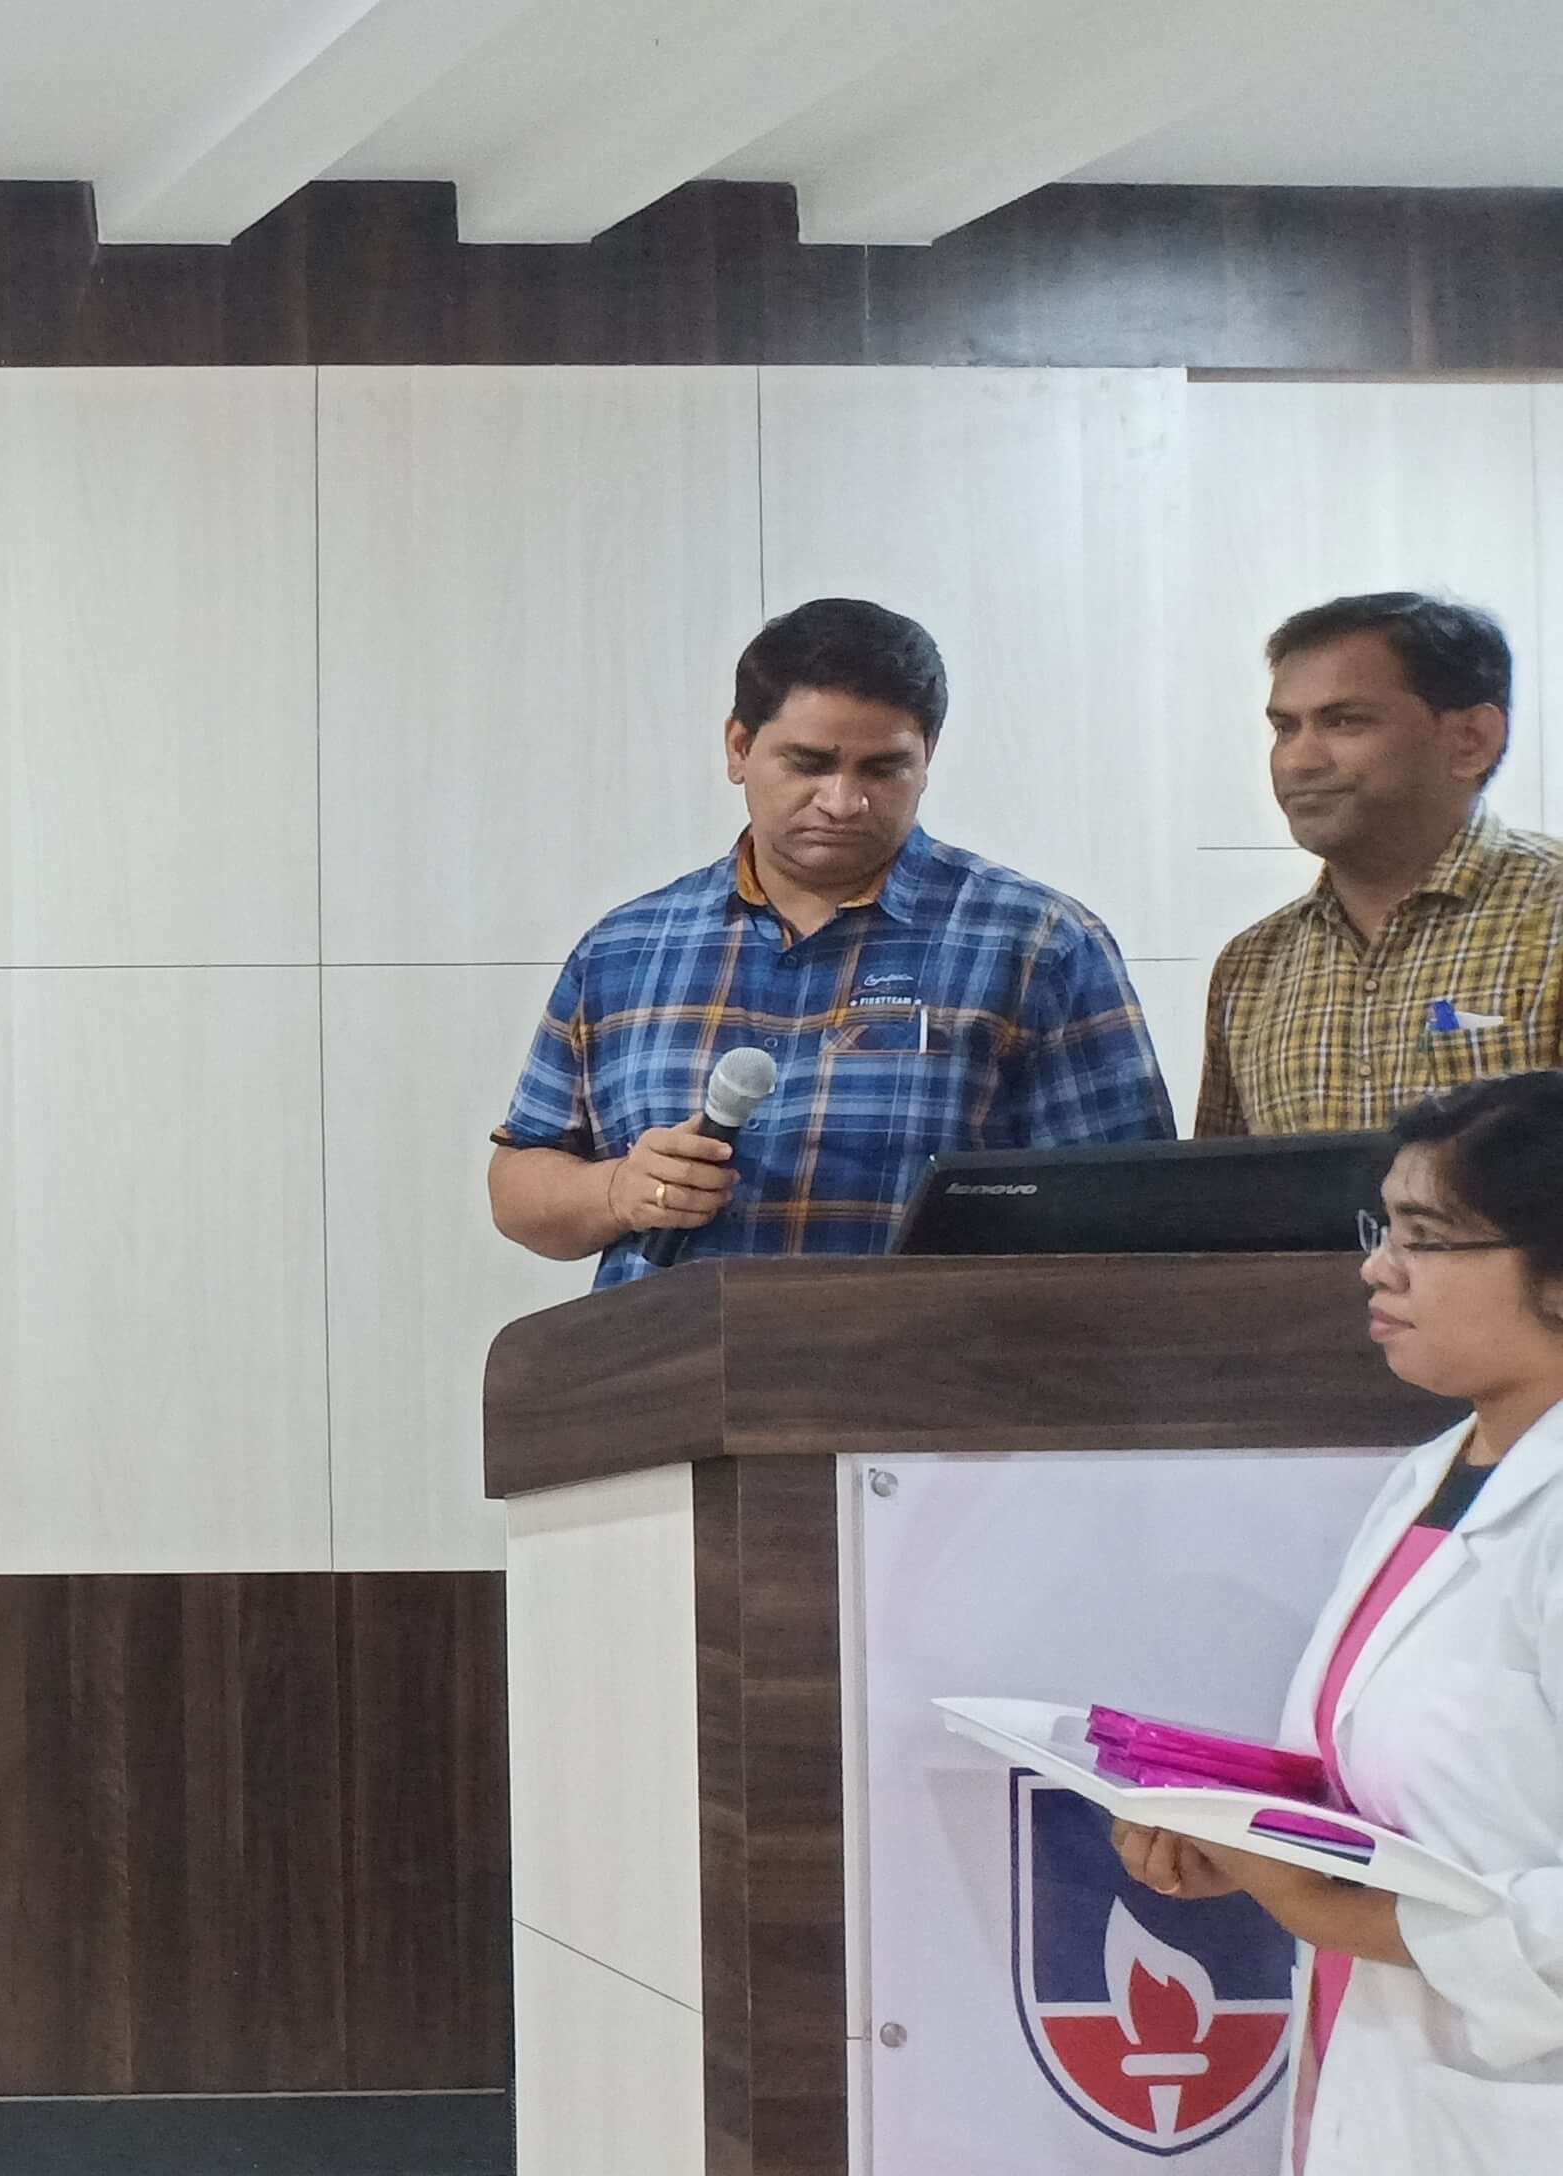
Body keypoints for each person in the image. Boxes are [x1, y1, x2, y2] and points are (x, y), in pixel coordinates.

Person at [1113, 1071, 1563, 2169]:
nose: (1377, 1267)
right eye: (1383, 1228)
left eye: (1427, 1239)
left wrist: (1337, 1913)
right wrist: (1253, 1846)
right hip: (1391, 2086)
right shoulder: (1431, 1475)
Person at [487, 597, 1173, 1285]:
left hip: (931, 1352)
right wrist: (616, 1191)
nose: (843, 802)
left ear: (927, 757)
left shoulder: (1040, 945)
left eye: (883, 769)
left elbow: (1132, 1218)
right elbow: (518, 1183)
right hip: (666, 1353)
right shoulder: (624, 949)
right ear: (738, 748)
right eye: (809, 763)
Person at [1201, 594, 1558, 1137]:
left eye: (1344, 722)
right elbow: (1227, 1189)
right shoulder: (1252, 967)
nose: (1298, 760)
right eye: (1285, 728)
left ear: (1472, 740)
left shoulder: (1551, 918)